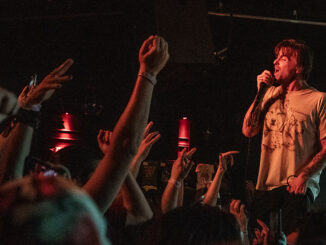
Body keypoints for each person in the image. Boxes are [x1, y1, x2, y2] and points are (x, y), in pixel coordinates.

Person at [242, 39, 326, 235]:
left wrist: (303, 177)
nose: (275, 62)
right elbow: (248, 130)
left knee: (291, 239)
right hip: (266, 187)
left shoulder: (318, 99)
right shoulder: (269, 94)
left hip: (296, 187)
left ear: (299, 67)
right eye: (275, 58)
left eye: (283, 58)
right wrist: (259, 92)